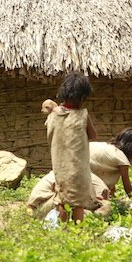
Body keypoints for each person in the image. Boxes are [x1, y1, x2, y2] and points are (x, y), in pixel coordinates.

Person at [43, 72, 98, 222]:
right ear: (82, 98)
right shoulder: (82, 115)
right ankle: (78, 231)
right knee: (78, 202)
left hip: (60, 166)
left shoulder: (52, 116)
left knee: (62, 197)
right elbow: (94, 136)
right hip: (78, 168)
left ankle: (63, 229)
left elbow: (49, 108)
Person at [89, 127, 132, 198]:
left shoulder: (106, 146)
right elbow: (127, 187)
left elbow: (108, 177)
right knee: (101, 200)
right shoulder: (121, 158)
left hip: (77, 167)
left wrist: (113, 197)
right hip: (83, 175)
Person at [26, 171, 111, 220]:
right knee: (67, 198)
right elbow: (63, 194)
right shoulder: (71, 176)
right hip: (37, 208)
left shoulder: (72, 173)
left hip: (36, 207)